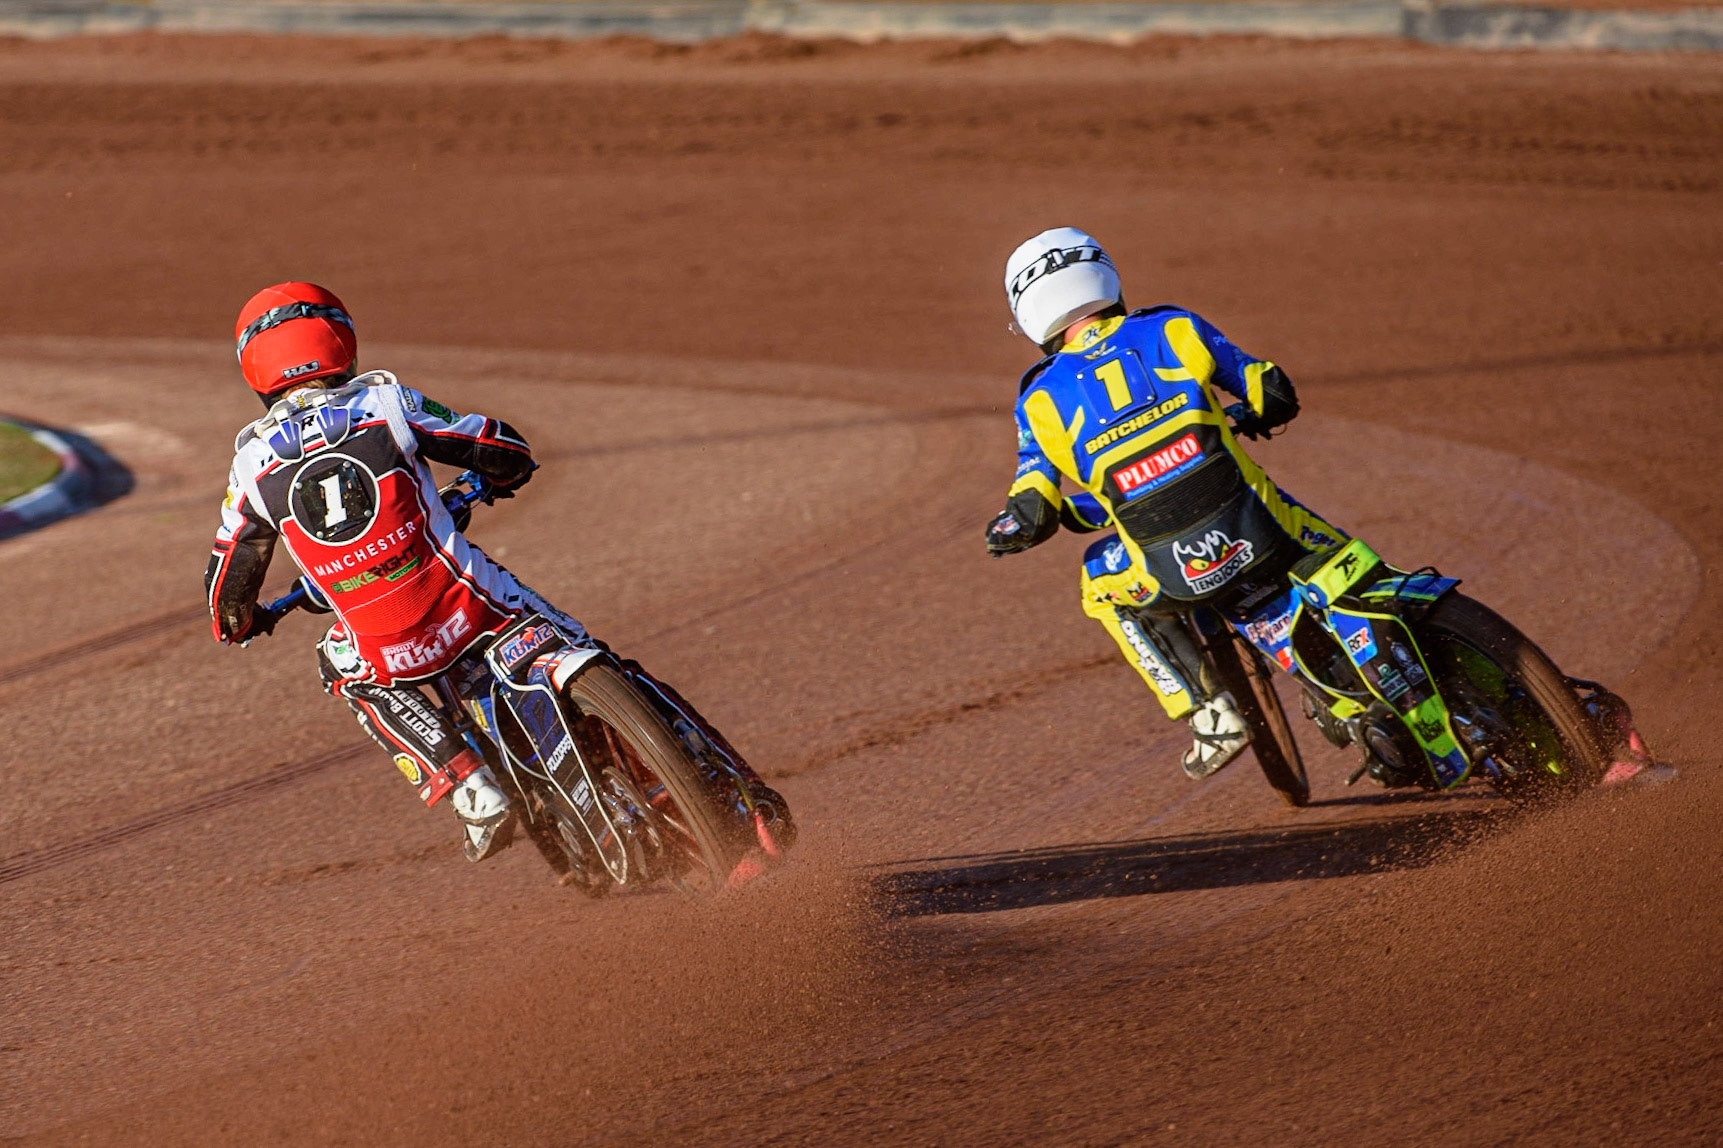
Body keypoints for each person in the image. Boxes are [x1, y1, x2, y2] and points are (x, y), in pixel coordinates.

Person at [204, 282, 782, 865]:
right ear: (342, 341)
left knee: (340, 663)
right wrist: (506, 472)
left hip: (390, 649)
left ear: (254, 370)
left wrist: (244, 619)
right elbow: (494, 444)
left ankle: (466, 787)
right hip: (474, 605)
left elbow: (227, 588)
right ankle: (737, 788)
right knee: (599, 657)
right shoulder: (385, 403)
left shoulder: (249, 466)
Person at [985, 228, 1352, 781]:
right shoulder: (1171, 327)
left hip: (1169, 570)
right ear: (1103, 274)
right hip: (1265, 528)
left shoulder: (1038, 399)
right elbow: (1273, 393)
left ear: (1028, 313)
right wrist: (1245, 419)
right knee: (1331, 554)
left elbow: (1033, 514)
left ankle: (1210, 714)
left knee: (1098, 583)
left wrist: (1006, 529)